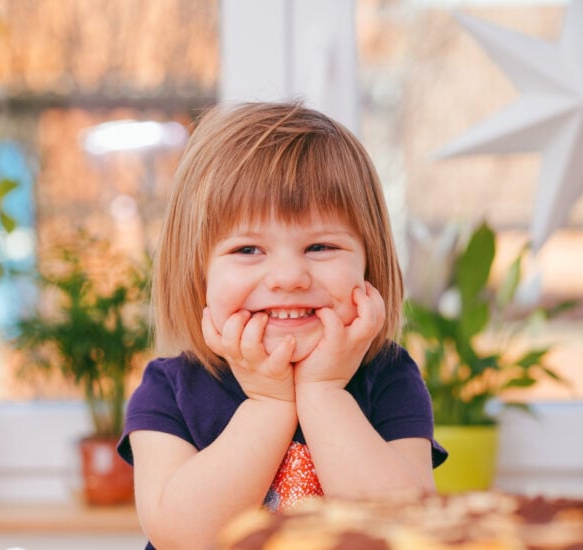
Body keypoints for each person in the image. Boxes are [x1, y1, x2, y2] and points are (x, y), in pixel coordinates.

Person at [117, 101, 447, 550]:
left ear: (369, 266)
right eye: (249, 250)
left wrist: (324, 392)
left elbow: (402, 527)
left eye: (321, 246)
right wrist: (268, 404)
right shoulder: (169, 389)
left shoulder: (389, 377)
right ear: (198, 274)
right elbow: (184, 536)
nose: (290, 277)